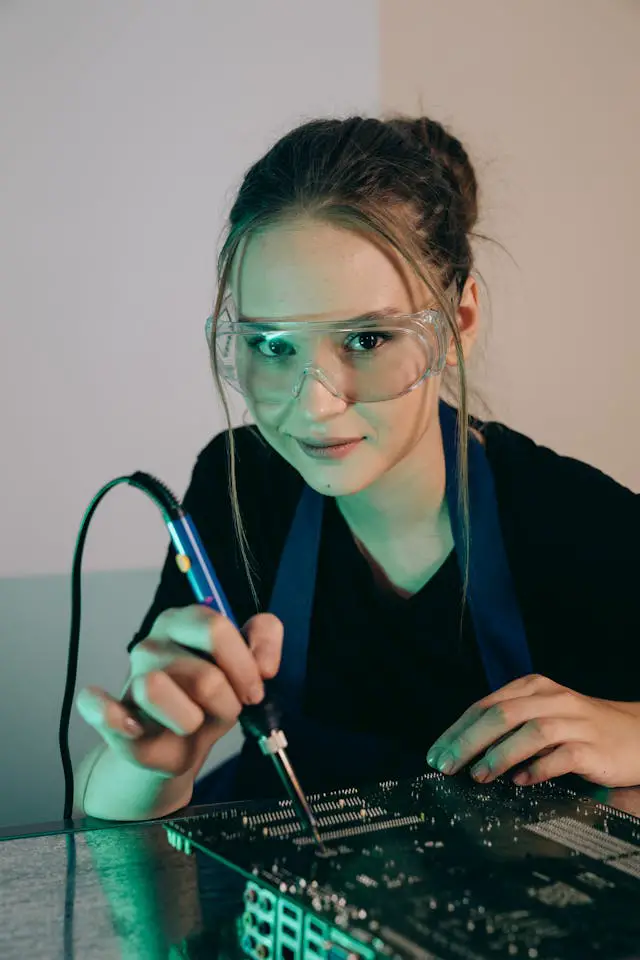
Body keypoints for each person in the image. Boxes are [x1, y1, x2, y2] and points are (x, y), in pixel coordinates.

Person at [74, 115, 640, 823]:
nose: (315, 404)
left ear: (458, 320)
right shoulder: (240, 484)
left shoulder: (582, 522)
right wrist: (147, 766)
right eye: (274, 345)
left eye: (367, 338)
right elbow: (108, 811)